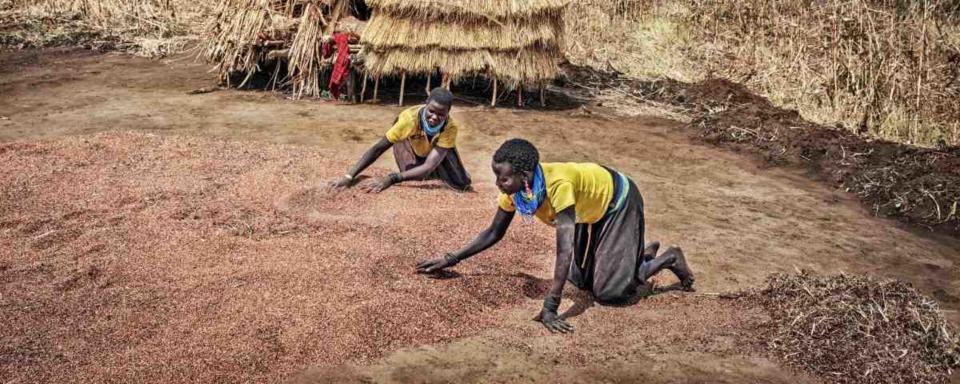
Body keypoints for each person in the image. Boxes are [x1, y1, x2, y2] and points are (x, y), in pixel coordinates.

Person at [416, 138, 694, 333]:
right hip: (588, 212)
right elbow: (493, 232)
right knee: (579, 279)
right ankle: (638, 252)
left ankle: (667, 258)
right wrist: (451, 259)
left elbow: (565, 251)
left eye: (503, 179)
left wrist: (551, 306)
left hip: (616, 202)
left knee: (610, 293)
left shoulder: (558, 186)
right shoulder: (519, 193)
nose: (497, 184)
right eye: (496, 176)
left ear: (525, 175)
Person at [332, 87, 471, 193]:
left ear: (448, 112)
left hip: (435, 149)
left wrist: (391, 178)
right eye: (431, 111)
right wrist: (349, 176)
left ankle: (448, 170)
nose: (434, 117)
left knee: (462, 183)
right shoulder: (408, 120)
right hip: (410, 143)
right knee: (418, 178)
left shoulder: (450, 127)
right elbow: (378, 148)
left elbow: (429, 165)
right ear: (426, 103)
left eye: (441, 114)